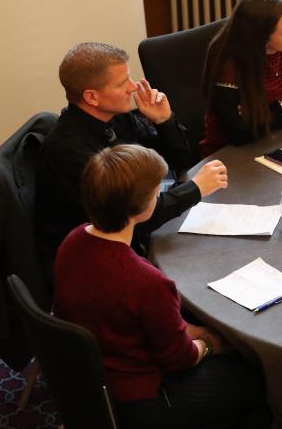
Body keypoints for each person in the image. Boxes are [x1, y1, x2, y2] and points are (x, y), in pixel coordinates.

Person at [53, 144, 269, 429]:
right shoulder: (146, 282)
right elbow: (180, 359)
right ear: (140, 209)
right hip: (142, 406)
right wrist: (210, 343)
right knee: (256, 377)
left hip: (89, 395)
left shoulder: (72, 242)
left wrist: (193, 332)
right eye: (157, 192)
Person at [35, 42, 227, 268]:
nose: (133, 87)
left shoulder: (114, 116)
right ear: (92, 97)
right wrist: (195, 189)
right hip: (96, 260)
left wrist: (164, 121)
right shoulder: (69, 152)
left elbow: (175, 163)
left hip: (138, 229)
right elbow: (132, 218)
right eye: (121, 83)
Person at [201, 0, 282, 157]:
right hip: (227, 155)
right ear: (261, 41)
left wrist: (259, 118)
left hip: (276, 141)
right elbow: (239, 135)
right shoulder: (229, 61)